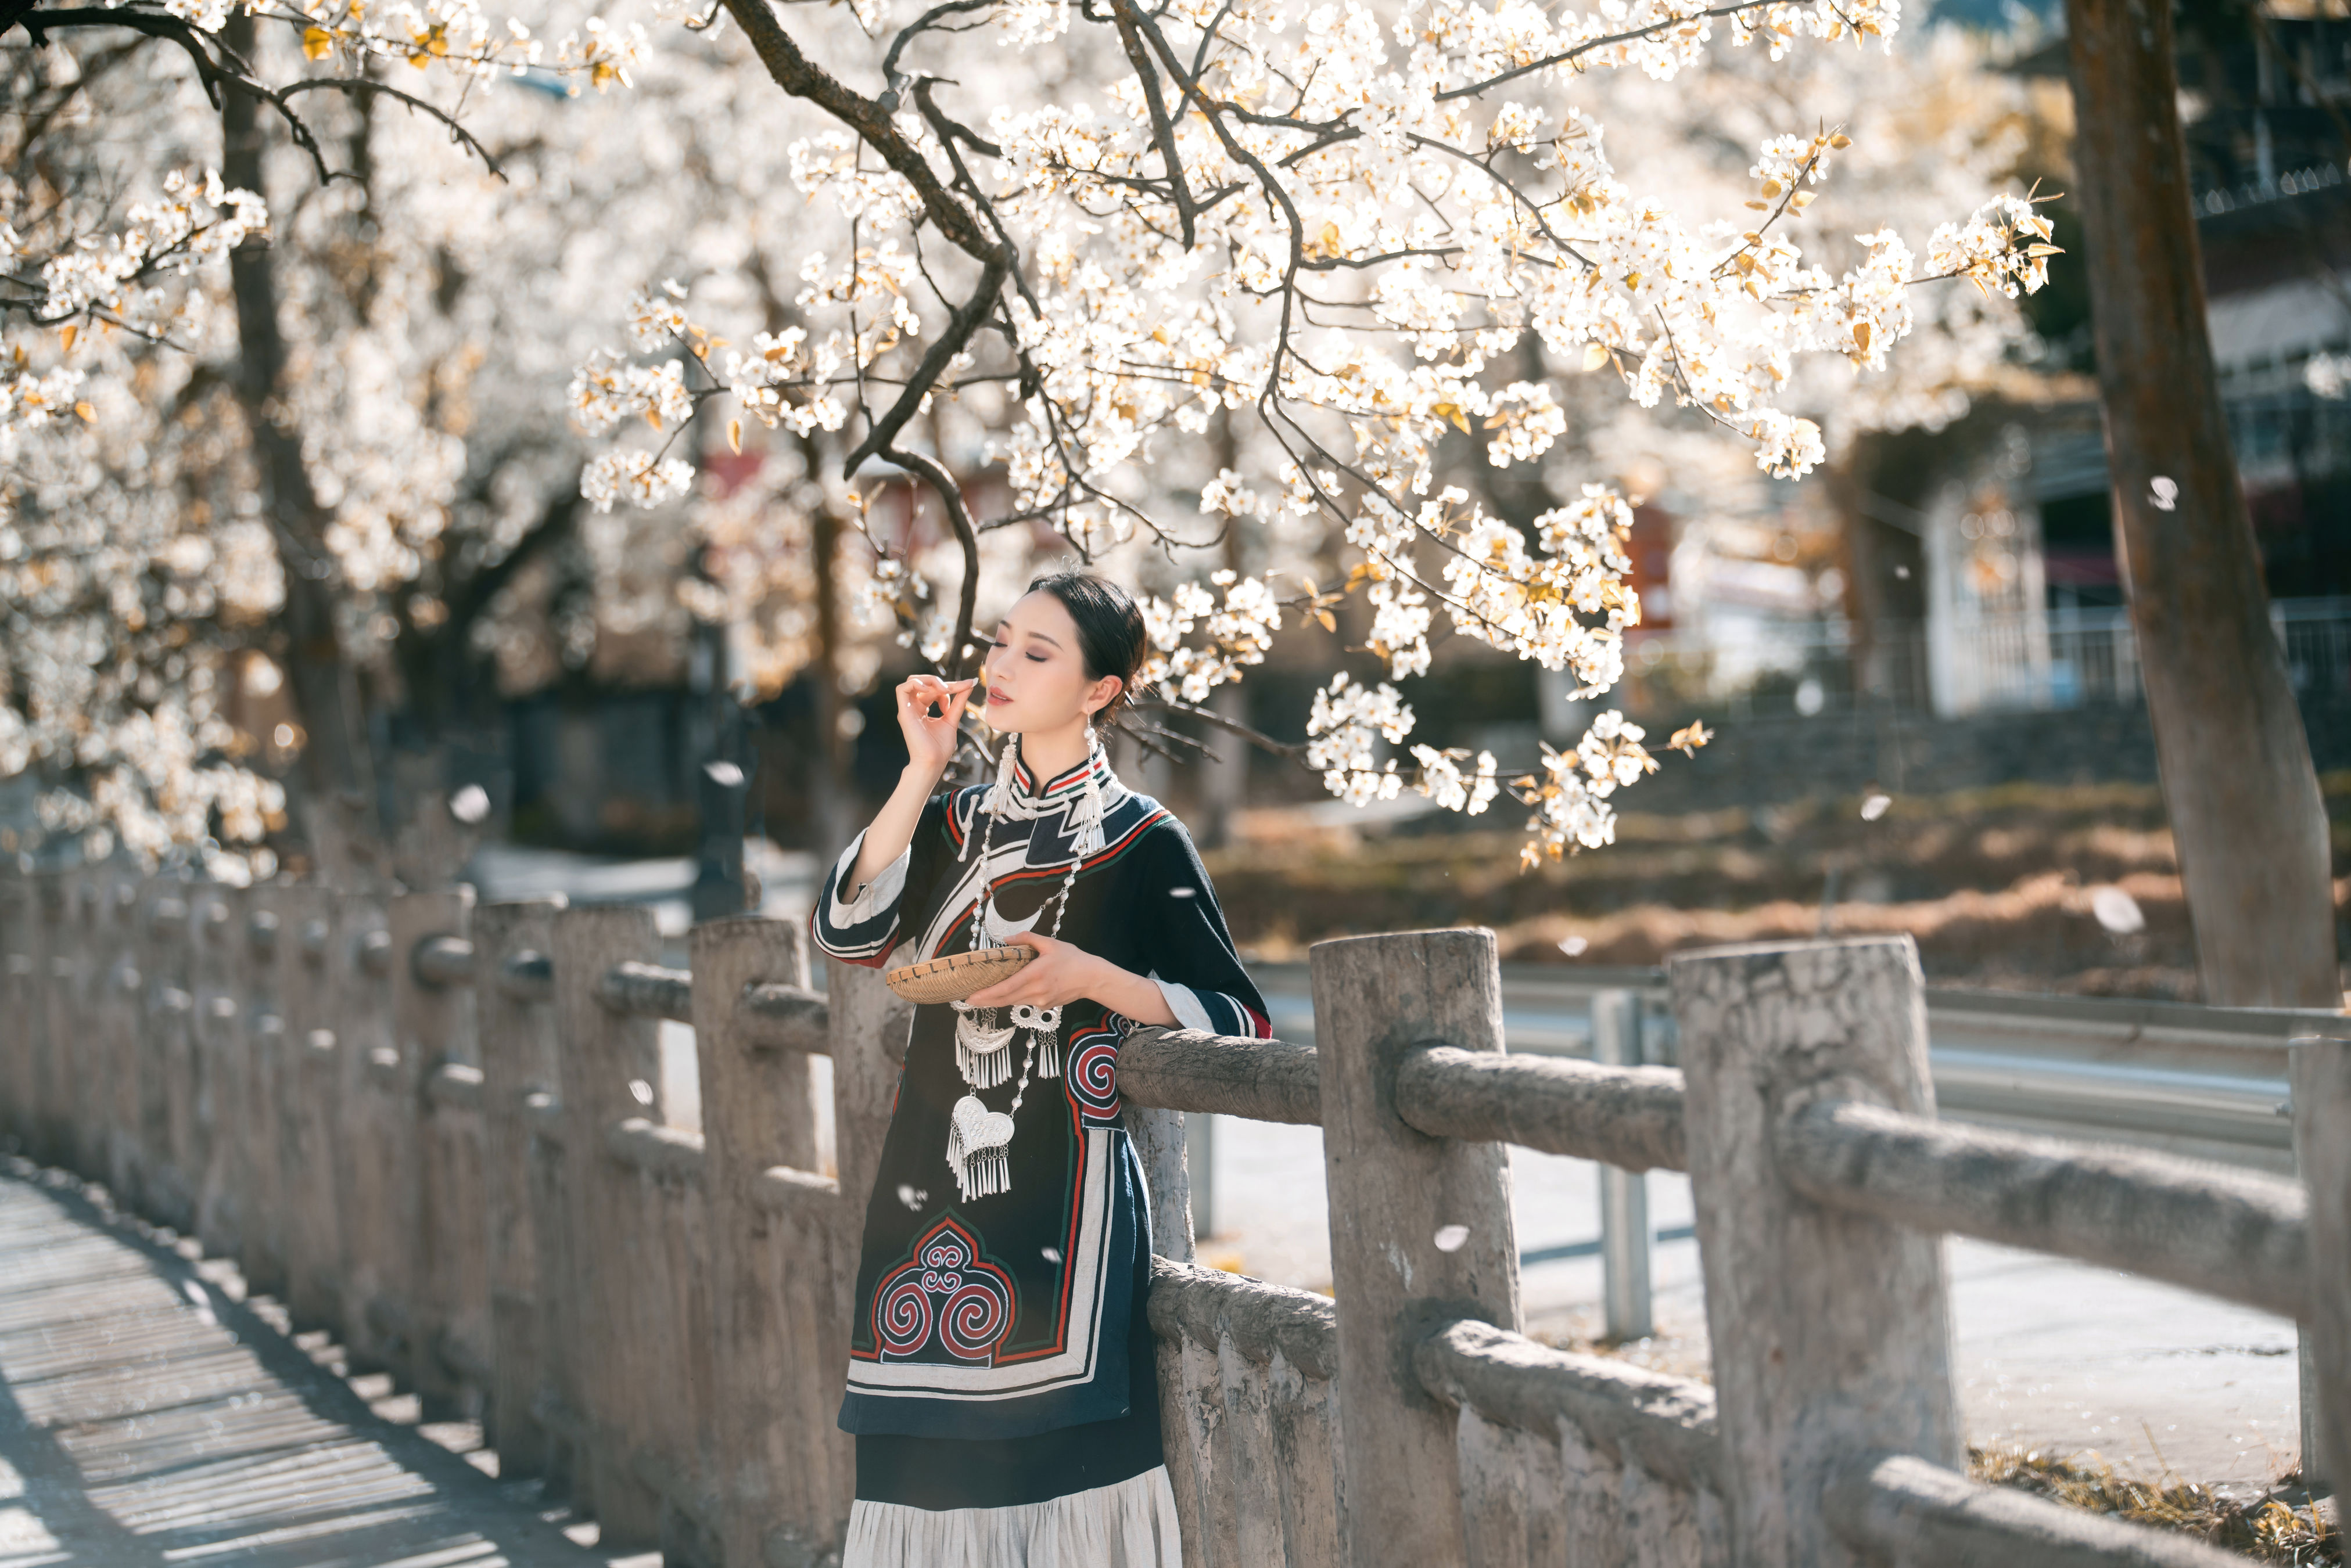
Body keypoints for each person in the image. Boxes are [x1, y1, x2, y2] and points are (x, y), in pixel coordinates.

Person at [809, 567, 1272, 1566]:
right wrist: (921, 769)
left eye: (1037, 651)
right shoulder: (954, 821)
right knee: (915, 1485)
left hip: (1067, 1211)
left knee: (1067, 1497)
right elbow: (848, 934)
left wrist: (1096, 976)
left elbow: (1240, 1019)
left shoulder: (1142, 840)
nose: (1001, 667)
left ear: (1101, 690)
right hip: (927, 1200)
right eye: (1000, 643)